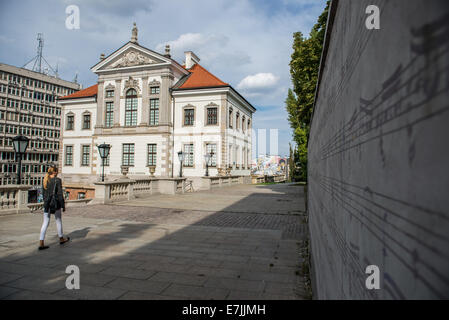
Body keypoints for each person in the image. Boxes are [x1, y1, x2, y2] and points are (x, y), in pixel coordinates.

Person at [38, 166, 70, 250]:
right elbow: (59, 194)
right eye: (57, 171)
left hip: (47, 204)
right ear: (55, 172)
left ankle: (41, 242)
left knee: (45, 223)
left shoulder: (45, 180)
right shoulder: (57, 180)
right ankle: (61, 238)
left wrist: (46, 202)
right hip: (55, 204)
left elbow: (44, 194)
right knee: (58, 220)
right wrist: (63, 205)